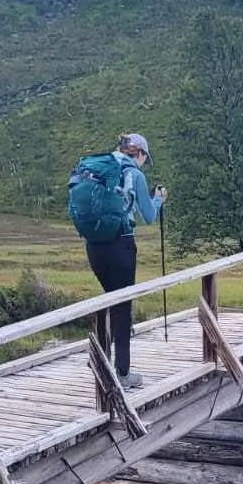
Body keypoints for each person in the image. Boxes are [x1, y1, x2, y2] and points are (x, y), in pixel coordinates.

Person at [84, 133, 166, 390]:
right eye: (145, 158)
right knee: (122, 307)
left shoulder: (98, 169)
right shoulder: (135, 175)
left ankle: (101, 359)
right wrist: (159, 199)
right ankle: (122, 373)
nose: (144, 163)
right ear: (139, 153)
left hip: (94, 245)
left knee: (109, 299)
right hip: (121, 242)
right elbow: (149, 216)